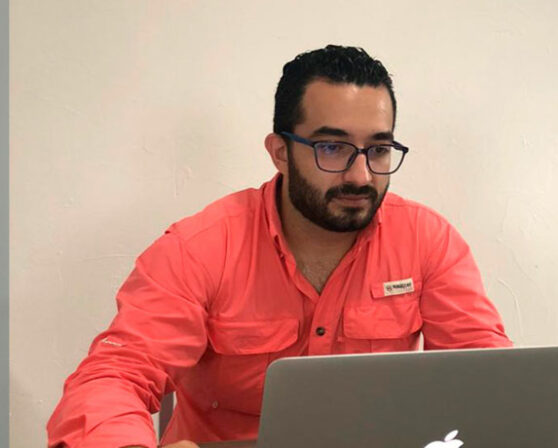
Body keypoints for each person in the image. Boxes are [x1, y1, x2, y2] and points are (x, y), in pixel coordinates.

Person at [47, 45, 513, 448]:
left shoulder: (428, 242)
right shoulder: (199, 248)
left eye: (378, 150)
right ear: (279, 152)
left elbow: (490, 379)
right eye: (332, 148)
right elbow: (114, 376)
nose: (361, 176)